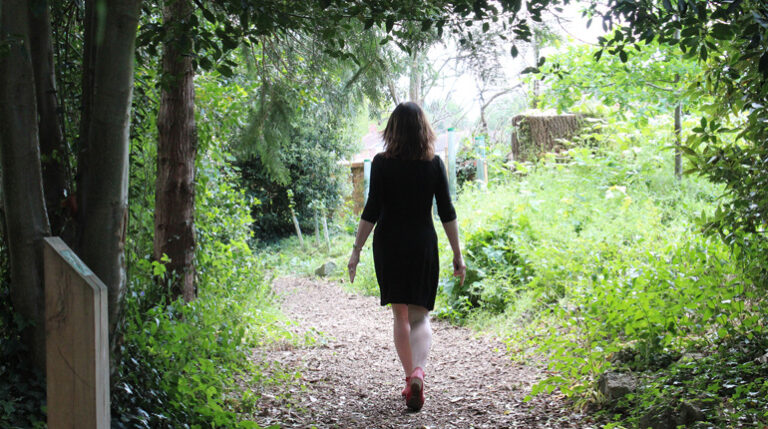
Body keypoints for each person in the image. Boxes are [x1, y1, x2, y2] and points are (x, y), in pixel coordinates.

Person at [347, 102, 466, 412]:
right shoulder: (434, 164)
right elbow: (446, 212)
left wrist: (356, 250)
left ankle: (407, 378)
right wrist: (457, 254)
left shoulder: (382, 164)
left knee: (400, 315)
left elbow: (371, 210)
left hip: (389, 244)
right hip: (422, 243)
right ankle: (419, 373)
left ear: (393, 130)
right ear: (423, 130)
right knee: (421, 315)